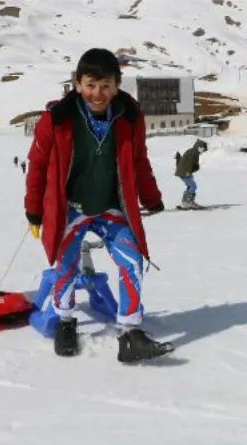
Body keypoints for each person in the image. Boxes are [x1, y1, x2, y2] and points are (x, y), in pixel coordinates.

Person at [24, 47, 171, 362]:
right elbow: (36, 165)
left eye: (105, 86)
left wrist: (151, 197)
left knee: (132, 262)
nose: (98, 93)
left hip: (110, 207)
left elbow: (139, 160)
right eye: (90, 85)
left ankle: (129, 332)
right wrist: (34, 210)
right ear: (77, 84)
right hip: (71, 208)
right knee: (66, 264)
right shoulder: (57, 120)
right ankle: (65, 320)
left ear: (117, 85)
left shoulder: (129, 117)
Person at [174, 139, 208, 209]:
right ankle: (188, 202)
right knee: (193, 186)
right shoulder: (193, 153)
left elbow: (190, 163)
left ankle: (185, 202)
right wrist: (188, 172)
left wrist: (192, 170)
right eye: (203, 149)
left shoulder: (193, 152)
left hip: (182, 171)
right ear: (199, 147)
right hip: (184, 172)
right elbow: (188, 163)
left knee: (190, 186)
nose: (203, 151)